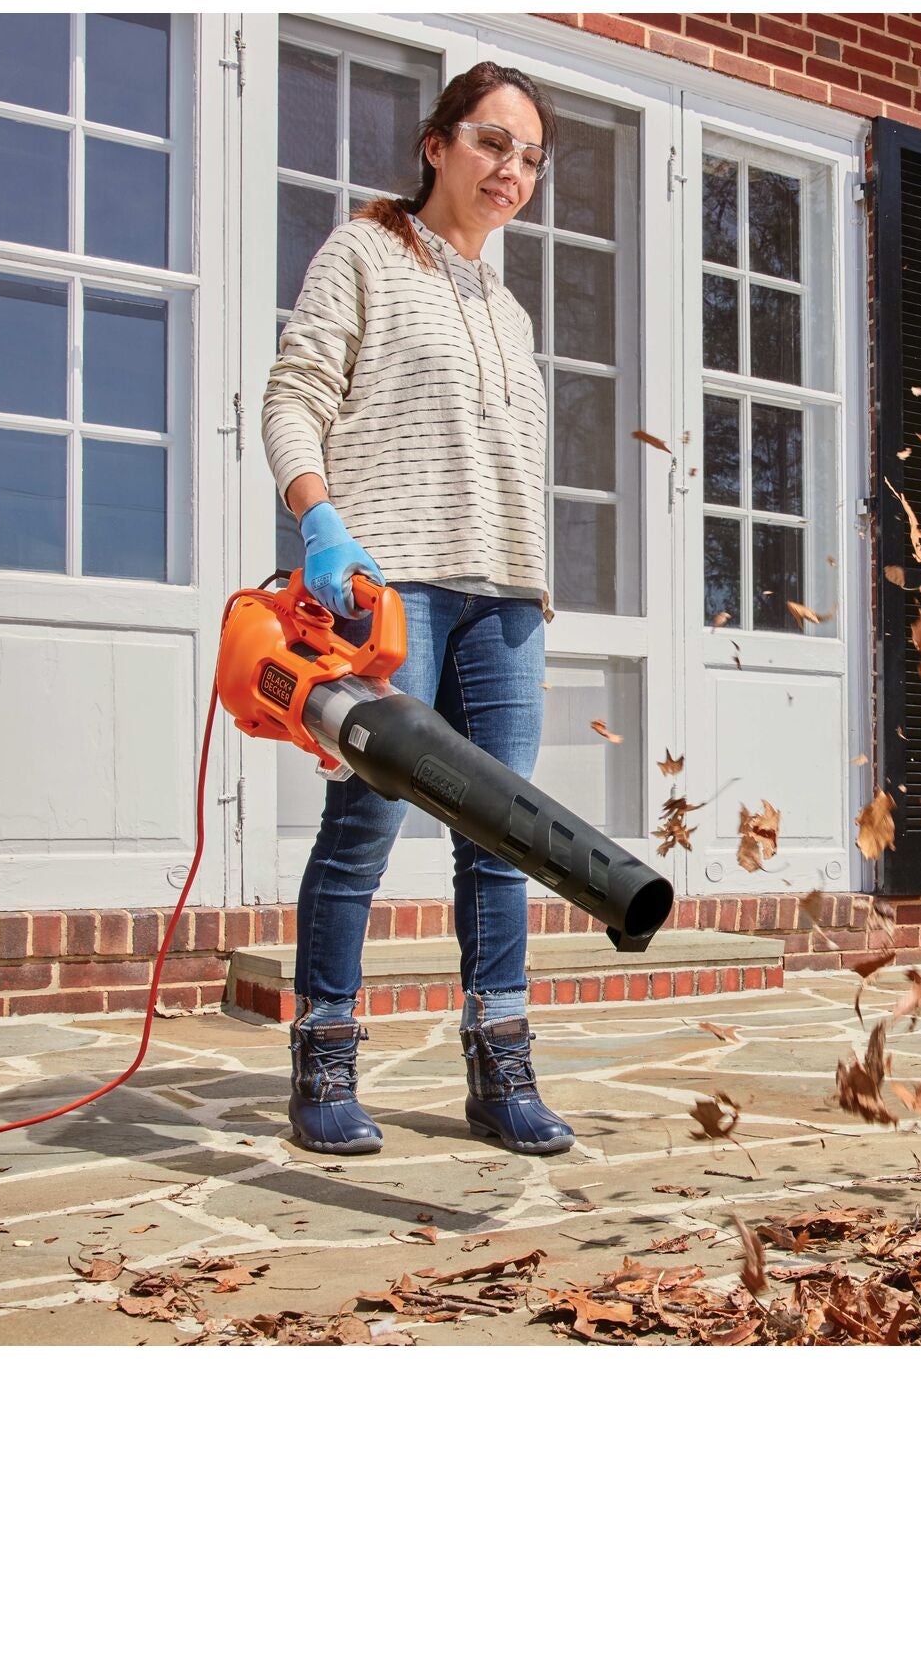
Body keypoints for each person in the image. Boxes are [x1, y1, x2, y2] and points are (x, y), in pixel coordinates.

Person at [260, 62, 573, 1159]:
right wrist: (318, 521)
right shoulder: (361, 254)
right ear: (436, 145)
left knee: (504, 843)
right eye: (493, 142)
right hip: (388, 588)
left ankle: (501, 1064)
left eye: (531, 155)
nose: (512, 169)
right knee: (364, 827)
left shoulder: (510, 305)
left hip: (503, 601)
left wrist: (531, 581)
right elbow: (295, 392)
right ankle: (326, 1058)